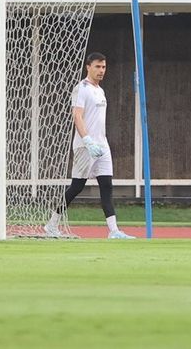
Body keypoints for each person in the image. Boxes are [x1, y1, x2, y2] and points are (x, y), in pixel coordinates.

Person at [44, 52, 135, 239]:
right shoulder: (81, 89)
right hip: (85, 146)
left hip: (102, 146)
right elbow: (77, 116)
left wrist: (98, 142)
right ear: (88, 67)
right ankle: (52, 224)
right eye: (97, 66)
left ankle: (114, 230)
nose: (101, 70)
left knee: (107, 185)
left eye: (103, 67)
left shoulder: (100, 91)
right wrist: (87, 140)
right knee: (77, 186)